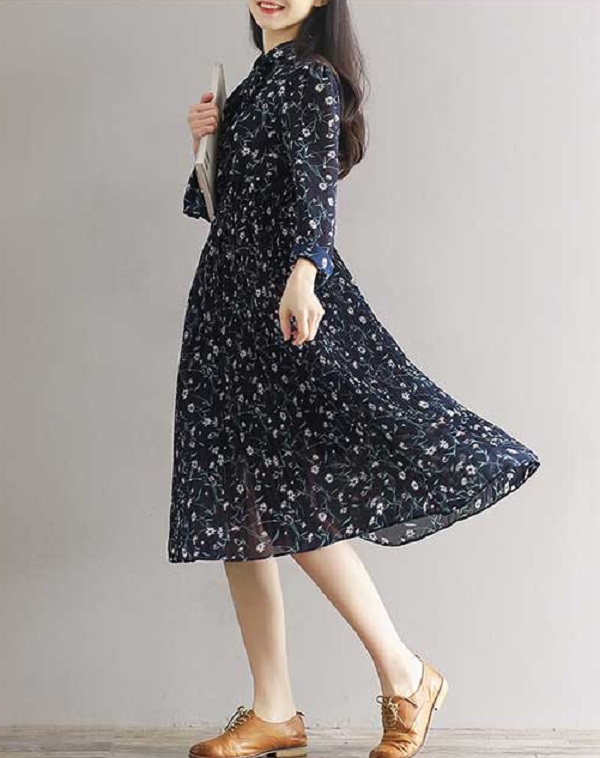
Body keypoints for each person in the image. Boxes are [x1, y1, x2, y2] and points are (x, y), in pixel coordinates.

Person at [169, 2, 541, 757]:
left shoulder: (309, 77)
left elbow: (316, 197)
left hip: (279, 304)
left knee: (290, 497)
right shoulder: (254, 84)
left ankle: (406, 676)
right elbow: (218, 210)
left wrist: (306, 273)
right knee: (238, 507)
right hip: (227, 309)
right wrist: (204, 144)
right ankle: (275, 709)